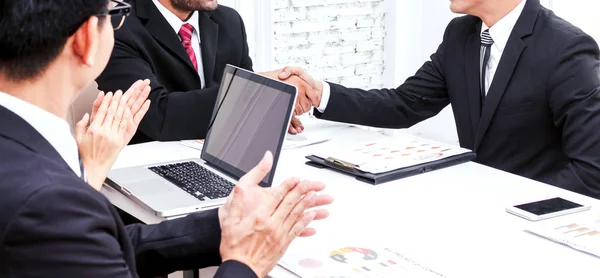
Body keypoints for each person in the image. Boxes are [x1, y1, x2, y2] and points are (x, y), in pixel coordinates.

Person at [0, 1, 333, 277]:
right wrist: (246, 262)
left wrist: (225, 223)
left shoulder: (26, 160)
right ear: (86, 38)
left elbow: (90, 245)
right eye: (112, 14)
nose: (118, 24)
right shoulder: (46, 200)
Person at [278, 0, 600, 199]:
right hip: (473, 215)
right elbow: (403, 104)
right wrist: (321, 94)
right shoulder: (461, 36)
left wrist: (506, 200)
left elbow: (590, 173)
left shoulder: (567, 51)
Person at [96, 0, 309, 144]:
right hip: (150, 169)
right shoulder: (115, 27)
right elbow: (157, 116)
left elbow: (243, 99)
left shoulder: (229, 20)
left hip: (224, 159)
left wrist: (266, 104)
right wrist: (254, 88)